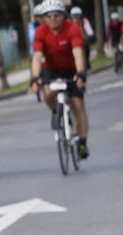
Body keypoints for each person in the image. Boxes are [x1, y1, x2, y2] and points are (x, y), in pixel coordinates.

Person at [31, 0, 90, 159]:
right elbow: (37, 57)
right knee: (48, 93)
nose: (53, 19)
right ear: (43, 18)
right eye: (48, 16)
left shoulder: (72, 28)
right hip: (52, 69)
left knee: (78, 105)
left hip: (71, 68)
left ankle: (82, 142)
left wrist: (81, 73)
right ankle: (56, 111)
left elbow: (78, 53)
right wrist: (35, 77)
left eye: (56, 15)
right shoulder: (40, 32)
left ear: (63, 15)